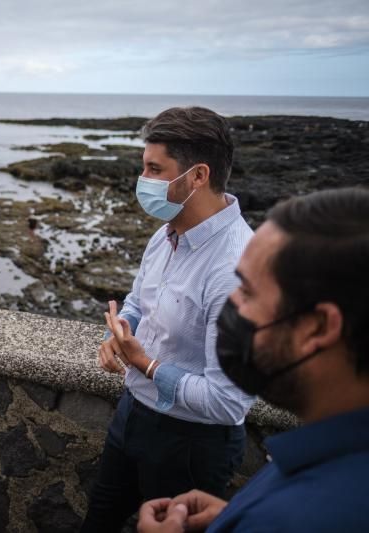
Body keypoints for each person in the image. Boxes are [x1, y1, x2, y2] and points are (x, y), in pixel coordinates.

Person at [137, 187, 369, 532]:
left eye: (246, 291)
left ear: (316, 327)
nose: (232, 307)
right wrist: (232, 515)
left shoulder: (300, 518)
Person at [81, 107, 255, 532]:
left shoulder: (236, 268)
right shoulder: (165, 234)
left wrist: (146, 364)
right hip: (131, 415)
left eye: (155, 169)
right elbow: (139, 303)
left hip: (193, 444)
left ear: (197, 176)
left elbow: (228, 402)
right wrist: (117, 335)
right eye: (144, 167)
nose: (143, 180)